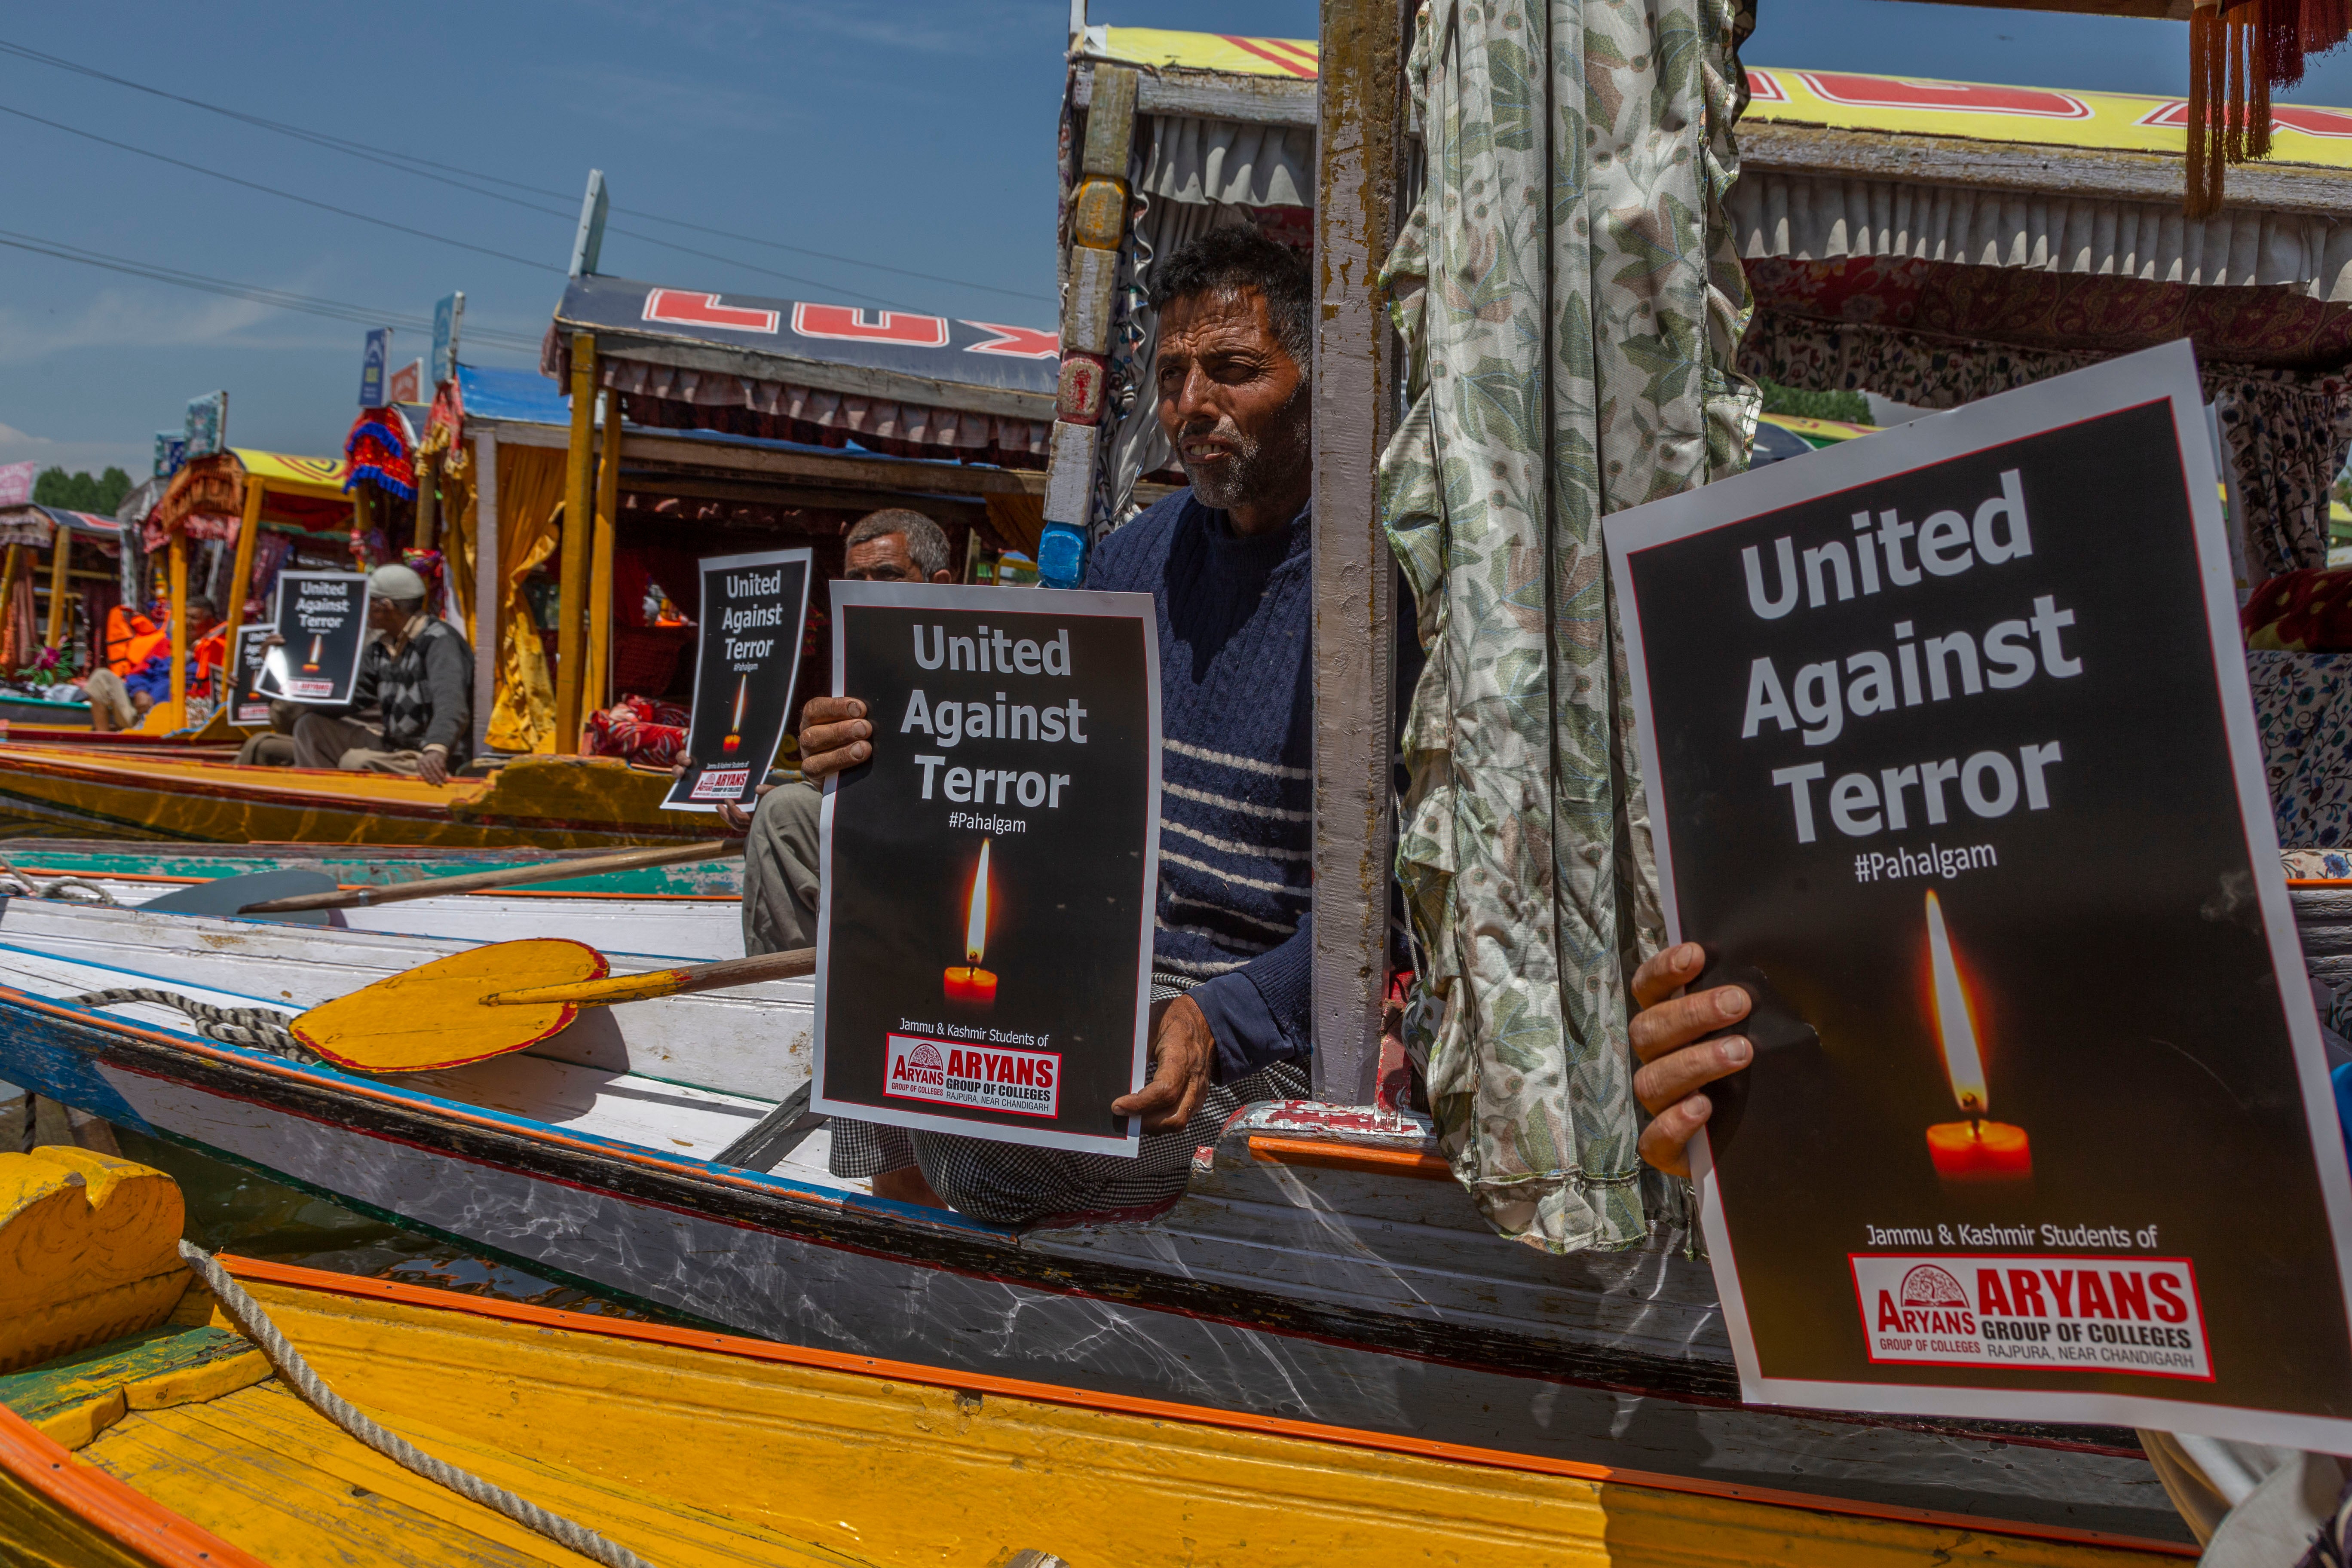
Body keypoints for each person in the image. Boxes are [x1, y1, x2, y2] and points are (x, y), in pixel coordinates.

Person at [778, 228, 1321, 1223]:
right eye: (1171, 376)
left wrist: (1219, 1016)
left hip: (1259, 1031)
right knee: (877, 1019)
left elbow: (1399, 910)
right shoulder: (1131, 568)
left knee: (983, 1143)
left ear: (1322, 378)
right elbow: (1010, 778)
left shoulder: (1376, 601)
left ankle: (976, 1240)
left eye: (1232, 370)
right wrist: (868, 755)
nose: (1191, 404)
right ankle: (923, 1245)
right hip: (1098, 980)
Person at [714, 508, 957, 952]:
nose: (866, 592)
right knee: (783, 811)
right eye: (854, 578)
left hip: (953, 845)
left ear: (938, 585)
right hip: (880, 838)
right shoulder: (863, 664)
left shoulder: (978, 657)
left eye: (887, 575)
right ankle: (790, 994)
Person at [285, 564, 472, 784]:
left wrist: (436, 750)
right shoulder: (380, 648)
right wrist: (285, 676)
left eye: (370, 602)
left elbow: (451, 705)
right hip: (393, 748)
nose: (364, 609)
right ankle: (321, 798)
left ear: (386, 607)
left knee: (356, 762)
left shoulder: (440, 641)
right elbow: (350, 698)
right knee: (310, 727)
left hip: (426, 756)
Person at [85, 596, 221, 731]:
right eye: (184, 616)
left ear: (210, 623)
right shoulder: (165, 644)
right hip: (141, 716)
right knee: (101, 677)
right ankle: (105, 739)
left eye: (194, 618)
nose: (187, 622)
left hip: (181, 723)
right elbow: (137, 674)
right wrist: (140, 692)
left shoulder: (216, 650)